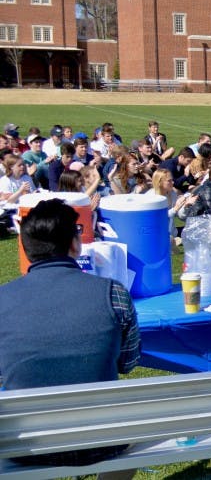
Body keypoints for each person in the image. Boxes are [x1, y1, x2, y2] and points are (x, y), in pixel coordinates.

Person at [0, 199, 139, 478]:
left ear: (26, 249)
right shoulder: (114, 293)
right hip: (101, 440)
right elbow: (128, 362)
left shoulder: (3, 299)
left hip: (23, 442)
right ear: (75, 245)